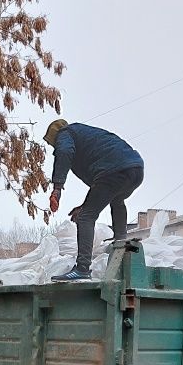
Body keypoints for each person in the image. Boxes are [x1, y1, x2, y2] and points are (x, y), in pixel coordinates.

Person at [44, 119, 145, 282]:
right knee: (117, 200)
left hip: (114, 171)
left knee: (86, 217)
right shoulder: (85, 135)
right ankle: (121, 243)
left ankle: (82, 268)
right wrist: (84, 205)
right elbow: (102, 190)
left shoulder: (65, 133)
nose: (55, 147)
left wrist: (57, 188)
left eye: (53, 144)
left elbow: (65, 151)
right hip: (135, 168)